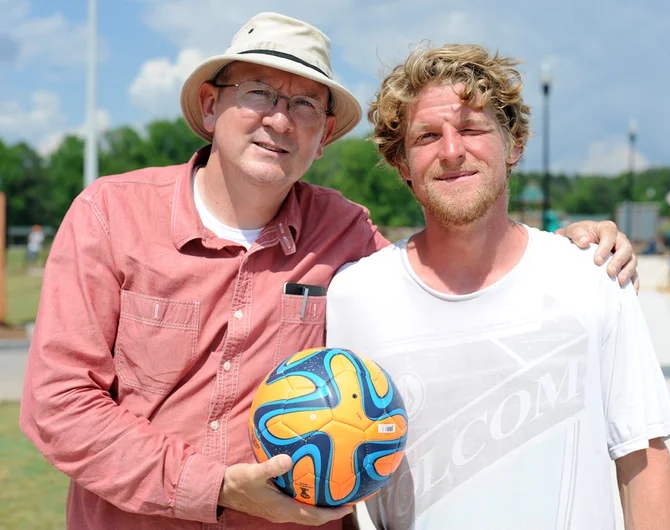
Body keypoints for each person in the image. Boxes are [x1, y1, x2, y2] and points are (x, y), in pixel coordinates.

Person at [20, 13, 637, 530]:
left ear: (324, 137)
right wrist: (216, 487)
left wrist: (571, 245)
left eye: (304, 104)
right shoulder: (111, 215)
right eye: (258, 93)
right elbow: (59, 405)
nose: (279, 119)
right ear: (211, 106)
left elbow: (450, 266)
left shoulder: (347, 235)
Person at [326, 44, 670, 529]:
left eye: (471, 129)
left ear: (513, 144)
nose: (452, 151)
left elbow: (643, 458)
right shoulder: (354, 297)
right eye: (427, 135)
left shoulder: (593, 276)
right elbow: (337, 484)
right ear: (402, 164)